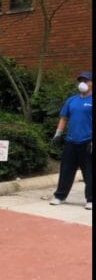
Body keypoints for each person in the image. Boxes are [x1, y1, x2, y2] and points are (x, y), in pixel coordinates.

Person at [50, 71, 93, 210]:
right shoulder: (71, 100)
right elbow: (64, 118)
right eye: (80, 80)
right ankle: (60, 196)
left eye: (86, 80)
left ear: (92, 83)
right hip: (71, 141)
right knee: (66, 170)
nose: (82, 83)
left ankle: (90, 200)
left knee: (90, 172)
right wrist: (58, 134)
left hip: (88, 141)